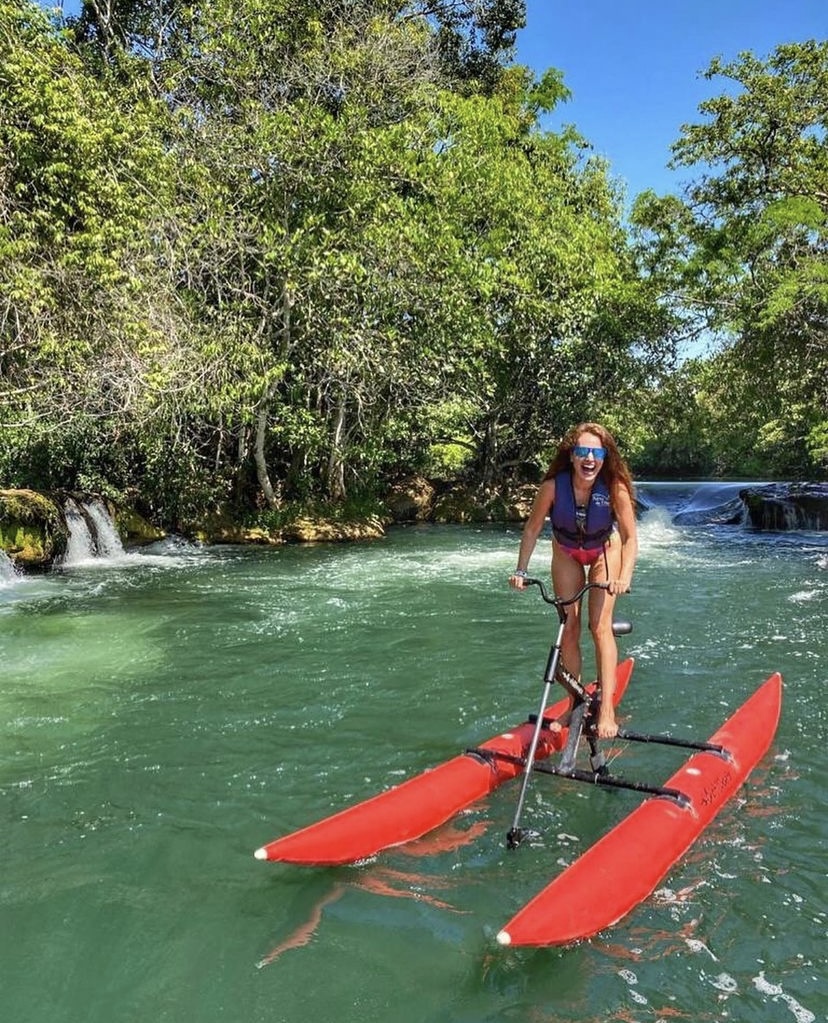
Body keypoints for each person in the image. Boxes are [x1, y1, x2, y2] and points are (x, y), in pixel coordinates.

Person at [509, 423, 638, 739]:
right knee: (569, 627)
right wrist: (521, 571)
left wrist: (624, 578)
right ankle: (574, 704)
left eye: (597, 452)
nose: (589, 458)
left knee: (599, 627)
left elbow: (630, 536)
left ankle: (606, 709)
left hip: (605, 549)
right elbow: (532, 529)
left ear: (605, 457)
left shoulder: (615, 487)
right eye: (583, 451)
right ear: (572, 456)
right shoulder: (553, 487)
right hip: (566, 550)